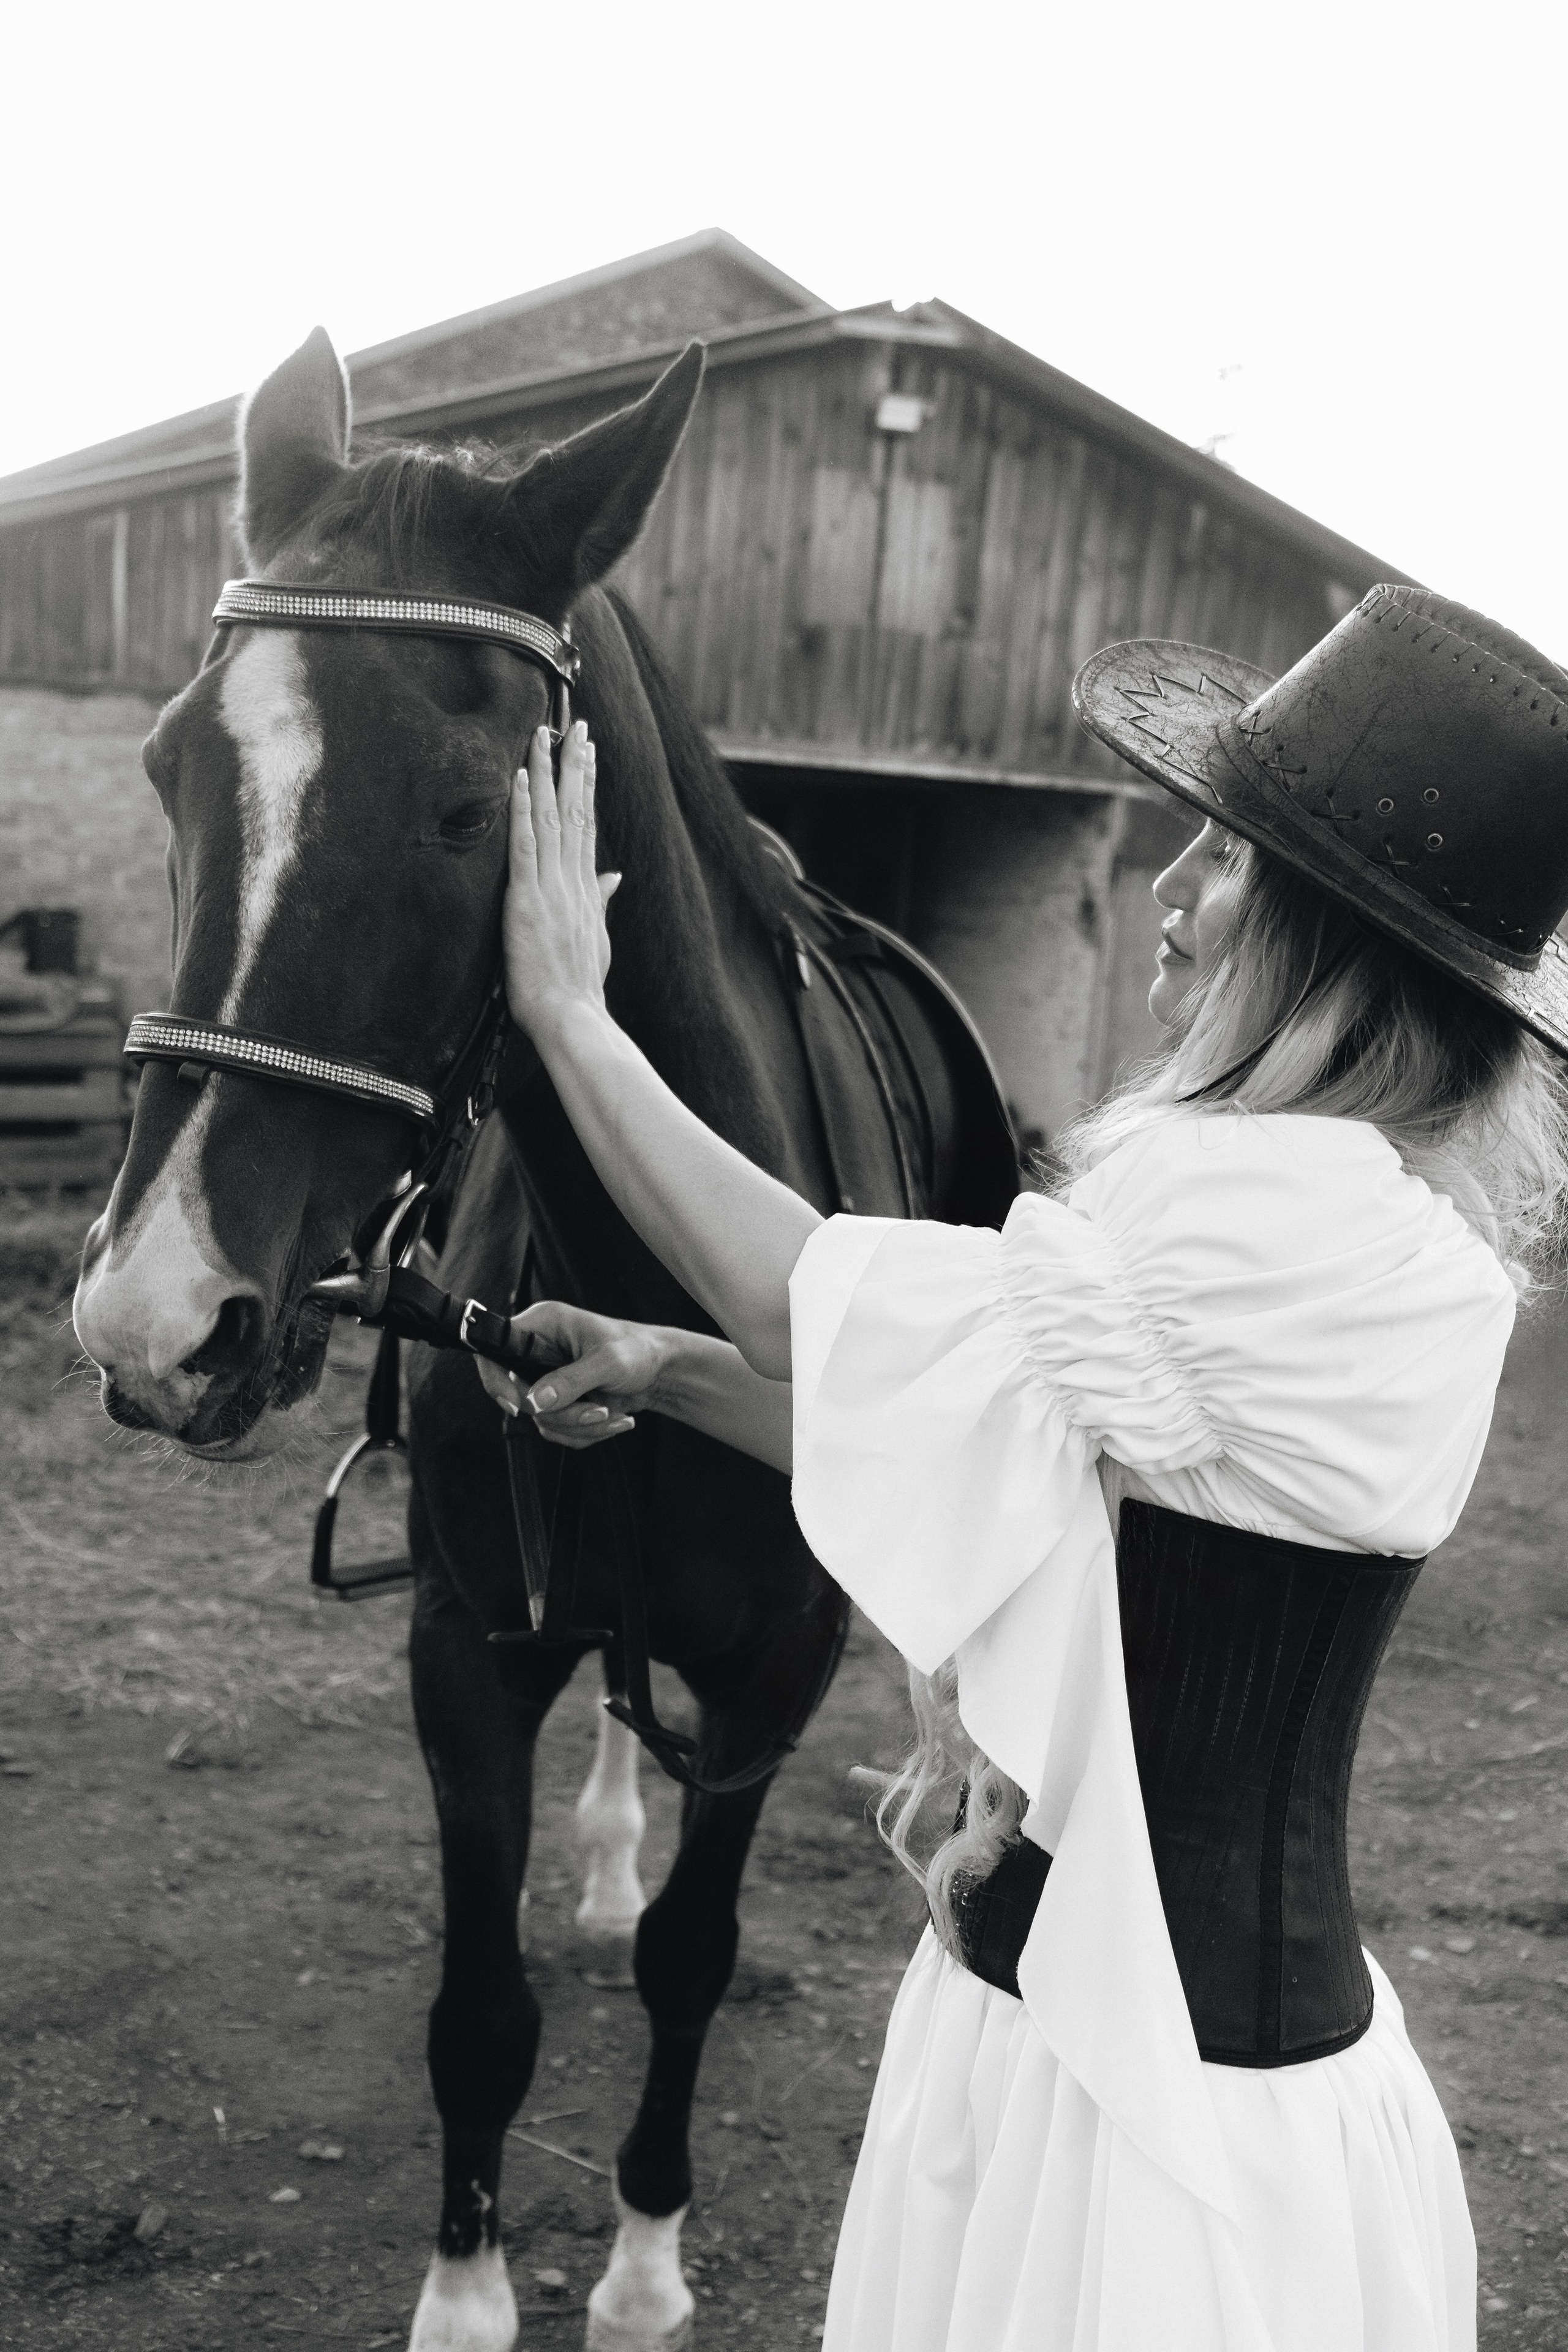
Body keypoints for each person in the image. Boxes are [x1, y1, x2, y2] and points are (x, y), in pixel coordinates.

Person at [477, 582, 1568, 2351]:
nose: (1170, 892)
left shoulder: (1250, 1207)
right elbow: (1030, 1448)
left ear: (1329, 947)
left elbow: (800, 1292)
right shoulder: (1401, 1242)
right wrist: (662, 1369)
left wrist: (575, 1019)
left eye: (1222, 860)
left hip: (1136, 2117)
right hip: (1178, 2050)